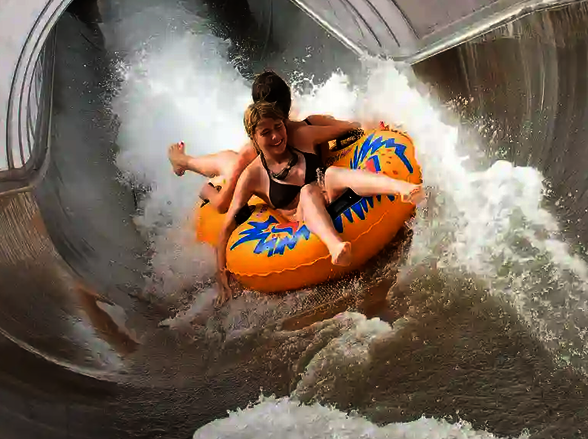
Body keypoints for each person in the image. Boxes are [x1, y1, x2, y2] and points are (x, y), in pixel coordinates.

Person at [214, 101, 424, 306]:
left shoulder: (302, 138)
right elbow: (226, 228)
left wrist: (372, 127)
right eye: (266, 132)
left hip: (329, 194)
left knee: (330, 173)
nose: (276, 136)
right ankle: (336, 246)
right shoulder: (252, 175)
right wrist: (221, 274)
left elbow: (347, 129)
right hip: (303, 217)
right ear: (253, 137)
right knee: (307, 190)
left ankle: (401, 189)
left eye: (278, 127)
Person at [168, 71, 359, 214]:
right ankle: (186, 164)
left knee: (230, 160)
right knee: (229, 163)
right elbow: (222, 204)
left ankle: (185, 160)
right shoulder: (253, 152)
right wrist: (211, 194)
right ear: (289, 100)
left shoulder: (311, 125)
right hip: (253, 166)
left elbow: (353, 129)